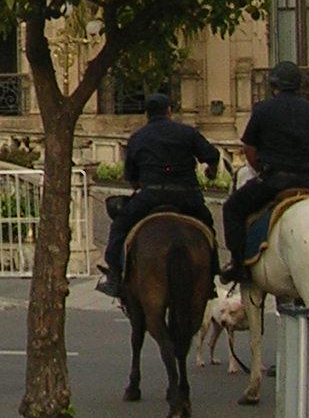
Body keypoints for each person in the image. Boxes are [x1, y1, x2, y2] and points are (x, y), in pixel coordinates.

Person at [221, 60, 309, 283]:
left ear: (273, 85)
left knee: (232, 208)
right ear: (299, 86)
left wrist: (260, 170)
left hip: (275, 181)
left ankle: (238, 265)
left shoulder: (263, 110)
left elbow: (249, 148)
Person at [94, 93, 221, 298]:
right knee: (208, 227)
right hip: (187, 196)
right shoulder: (187, 132)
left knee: (119, 227)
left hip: (151, 196)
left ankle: (115, 277)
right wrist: (211, 171)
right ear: (169, 111)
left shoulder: (138, 137)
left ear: (147, 114)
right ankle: (212, 276)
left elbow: (131, 177)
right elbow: (212, 155)